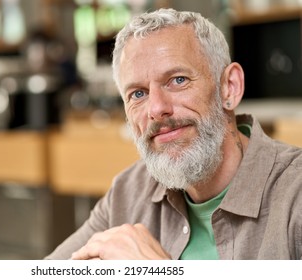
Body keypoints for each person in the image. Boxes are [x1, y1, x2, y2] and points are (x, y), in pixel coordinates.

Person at [45, 8, 302, 260]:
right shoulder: (127, 193)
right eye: (138, 94)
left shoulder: (294, 196)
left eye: (178, 80)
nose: (157, 109)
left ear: (229, 87)